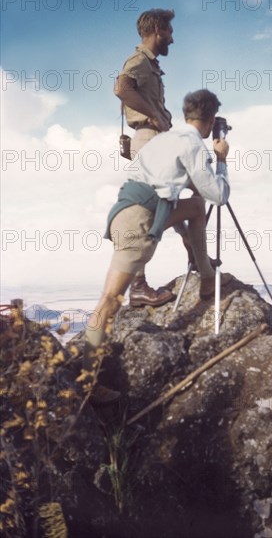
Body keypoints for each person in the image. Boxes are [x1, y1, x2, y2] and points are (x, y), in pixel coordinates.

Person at [83, 89, 232, 405]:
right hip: (140, 219)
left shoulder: (164, 139)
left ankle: (206, 278)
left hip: (126, 210)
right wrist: (220, 160)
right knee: (110, 300)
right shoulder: (192, 144)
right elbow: (219, 195)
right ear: (208, 121)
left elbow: (186, 192)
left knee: (194, 207)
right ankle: (87, 384)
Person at [113, 8, 175, 308]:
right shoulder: (139, 61)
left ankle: (196, 258)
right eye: (170, 32)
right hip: (149, 138)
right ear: (158, 29)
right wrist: (155, 117)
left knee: (162, 204)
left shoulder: (151, 66)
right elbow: (122, 88)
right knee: (148, 211)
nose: (172, 39)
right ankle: (137, 285)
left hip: (151, 140)